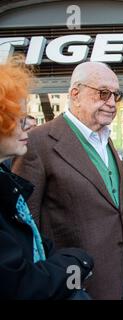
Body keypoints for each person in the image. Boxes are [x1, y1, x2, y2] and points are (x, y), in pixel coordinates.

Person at [12, 61, 123, 299]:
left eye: (116, 95)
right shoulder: (38, 141)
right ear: (75, 94)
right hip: (71, 283)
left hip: (115, 275)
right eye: (103, 93)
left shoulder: (105, 141)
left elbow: (112, 205)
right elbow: (25, 224)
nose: (111, 102)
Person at [0, 56, 93, 299]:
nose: (27, 127)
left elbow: (30, 239)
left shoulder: (6, 182)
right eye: (18, 119)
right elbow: (20, 284)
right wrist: (77, 263)